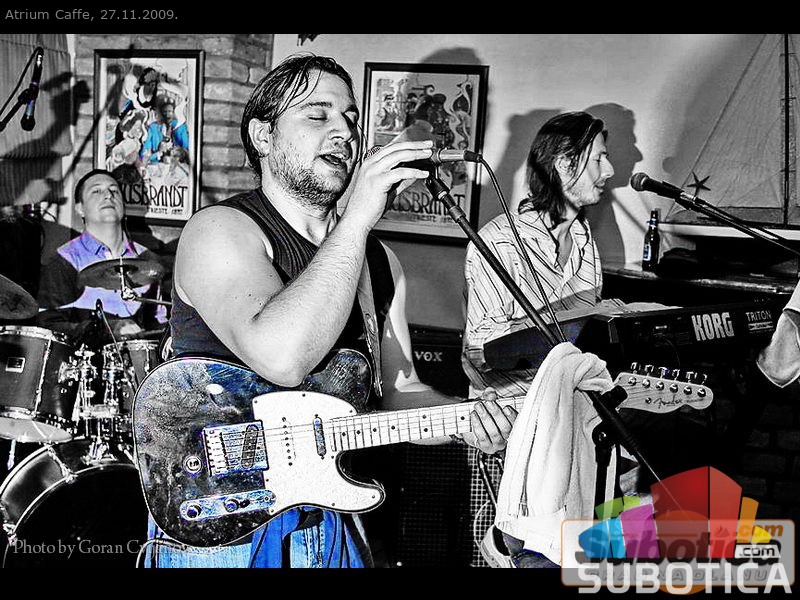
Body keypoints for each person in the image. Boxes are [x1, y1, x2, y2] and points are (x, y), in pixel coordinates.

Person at [145, 54, 516, 569]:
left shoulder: (380, 262)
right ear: (263, 135)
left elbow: (400, 390)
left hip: (330, 517)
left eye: (350, 118)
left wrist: (467, 419)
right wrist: (357, 217)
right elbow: (282, 358)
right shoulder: (220, 230)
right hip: (223, 525)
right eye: (317, 115)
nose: (343, 132)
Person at [462, 111, 616, 567]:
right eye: (599, 159)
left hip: (573, 433)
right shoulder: (498, 243)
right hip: (509, 435)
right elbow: (481, 355)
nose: (609, 171)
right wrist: (566, 335)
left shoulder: (585, 241)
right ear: (565, 165)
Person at [37, 169, 167, 343]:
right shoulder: (65, 260)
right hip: (87, 356)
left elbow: (158, 322)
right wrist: (105, 329)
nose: (108, 195)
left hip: (139, 357)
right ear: (80, 209)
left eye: (114, 190)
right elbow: (47, 325)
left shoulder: (147, 259)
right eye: (96, 191)